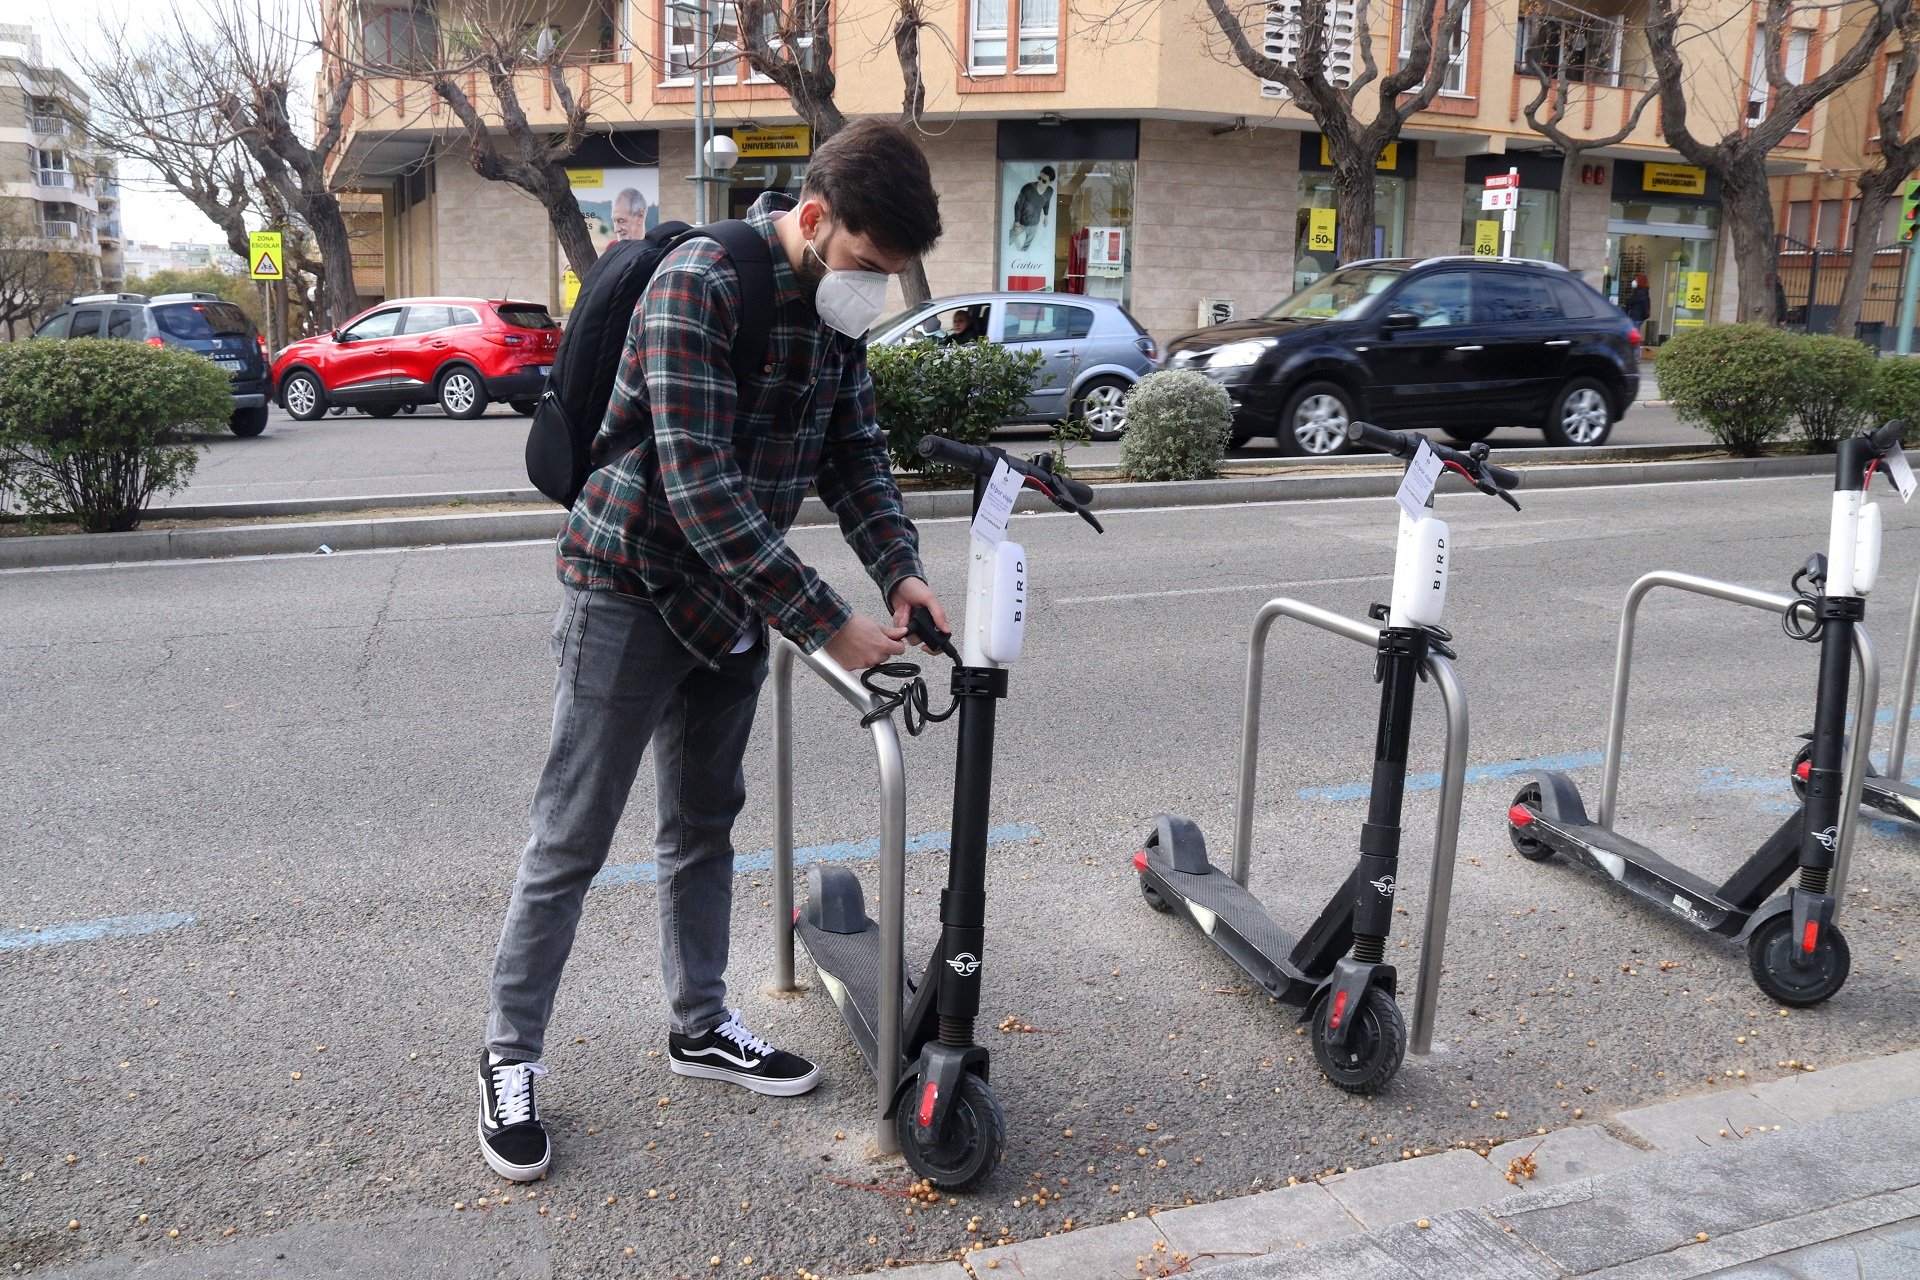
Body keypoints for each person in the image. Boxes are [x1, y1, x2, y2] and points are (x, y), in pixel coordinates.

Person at [475, 118, 948, 1184]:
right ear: (817, 218)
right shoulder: (702, 282)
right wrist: (827, 618)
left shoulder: (837, 310)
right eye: (870, 265)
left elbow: (854, 449)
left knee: (704, 823)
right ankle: (509, 1056)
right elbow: (696, 487)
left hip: (735, 600)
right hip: (631, 585)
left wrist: (900, 568)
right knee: (571, 836)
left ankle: (699, 1022)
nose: (874, 289)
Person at [1009, 166, 1054, 250]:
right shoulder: (1027, 188)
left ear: (1050, 182)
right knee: (1010, 239)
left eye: (1044, 181)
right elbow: (1018, 205)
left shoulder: (1049, 191)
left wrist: (1046, 216)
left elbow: (1046, 203)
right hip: (1021, 221)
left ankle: (1024, 259)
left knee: (1027, 245)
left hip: (1034, 224)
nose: (1040, 181)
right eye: (1039, 178)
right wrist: (1017, 224)